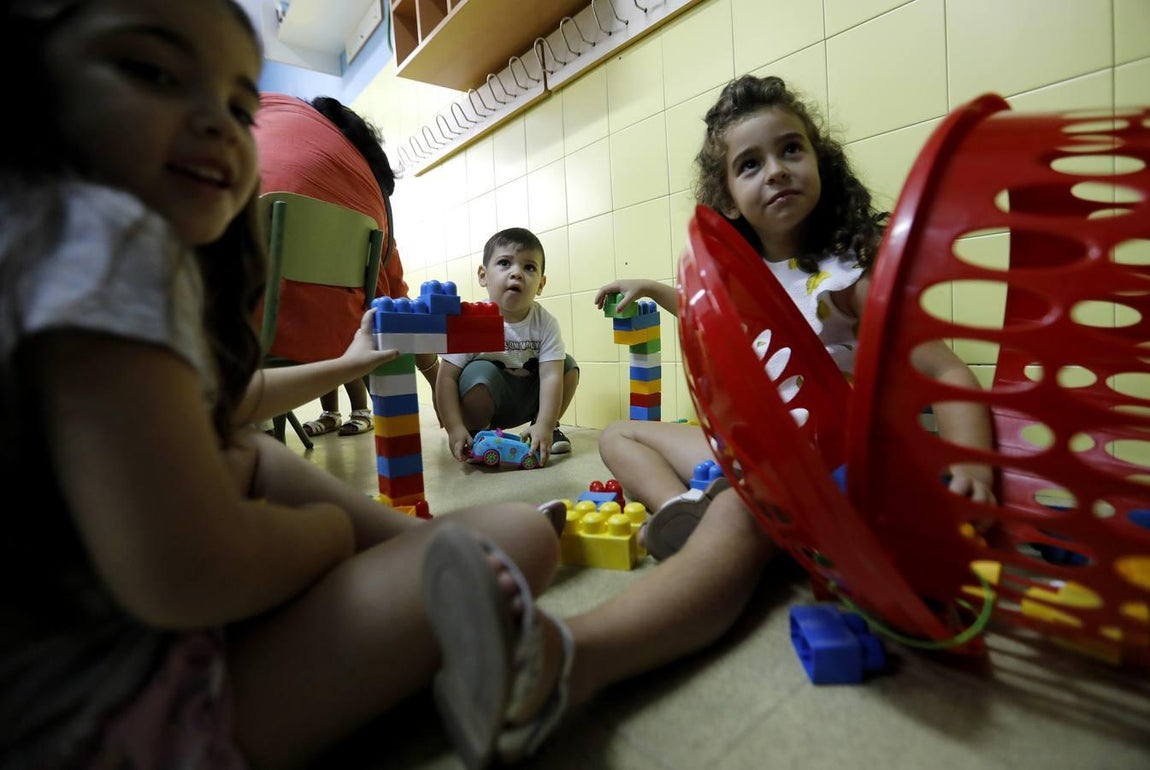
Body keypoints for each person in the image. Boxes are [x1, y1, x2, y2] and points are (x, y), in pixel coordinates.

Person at [0, 2, 573, 768]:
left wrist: (350, 363)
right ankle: (438, 570)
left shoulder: (61, 248)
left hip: (107, 632)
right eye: (150, 70)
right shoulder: (103, 241)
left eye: (239, 105)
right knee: (521, 540)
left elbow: (219, 407)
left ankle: (428, 555)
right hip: (118, 716)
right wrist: (332, 539)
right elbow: (188, 568)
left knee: (258, 458)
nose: (216, 122)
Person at [253, 92, 440, 437]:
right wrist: (436, 378)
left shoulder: (264, 110)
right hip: (339, 341)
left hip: (235, 333)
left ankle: (351, 411)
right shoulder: (370, 197)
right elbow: (399, 305)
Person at [436, 227, 581, 466]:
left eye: (529, 267)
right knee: (481, 372)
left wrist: (545, 423)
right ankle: (475, 433)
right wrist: (454, 428)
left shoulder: (545, 323)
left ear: (541, 284)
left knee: (567, 366)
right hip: (485, 403)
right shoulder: (472, 321)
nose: (517, 273)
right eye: (505, 263)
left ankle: (543, 429)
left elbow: (551, 376)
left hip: (525, 400)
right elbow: (446, 378)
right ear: (483, 275)